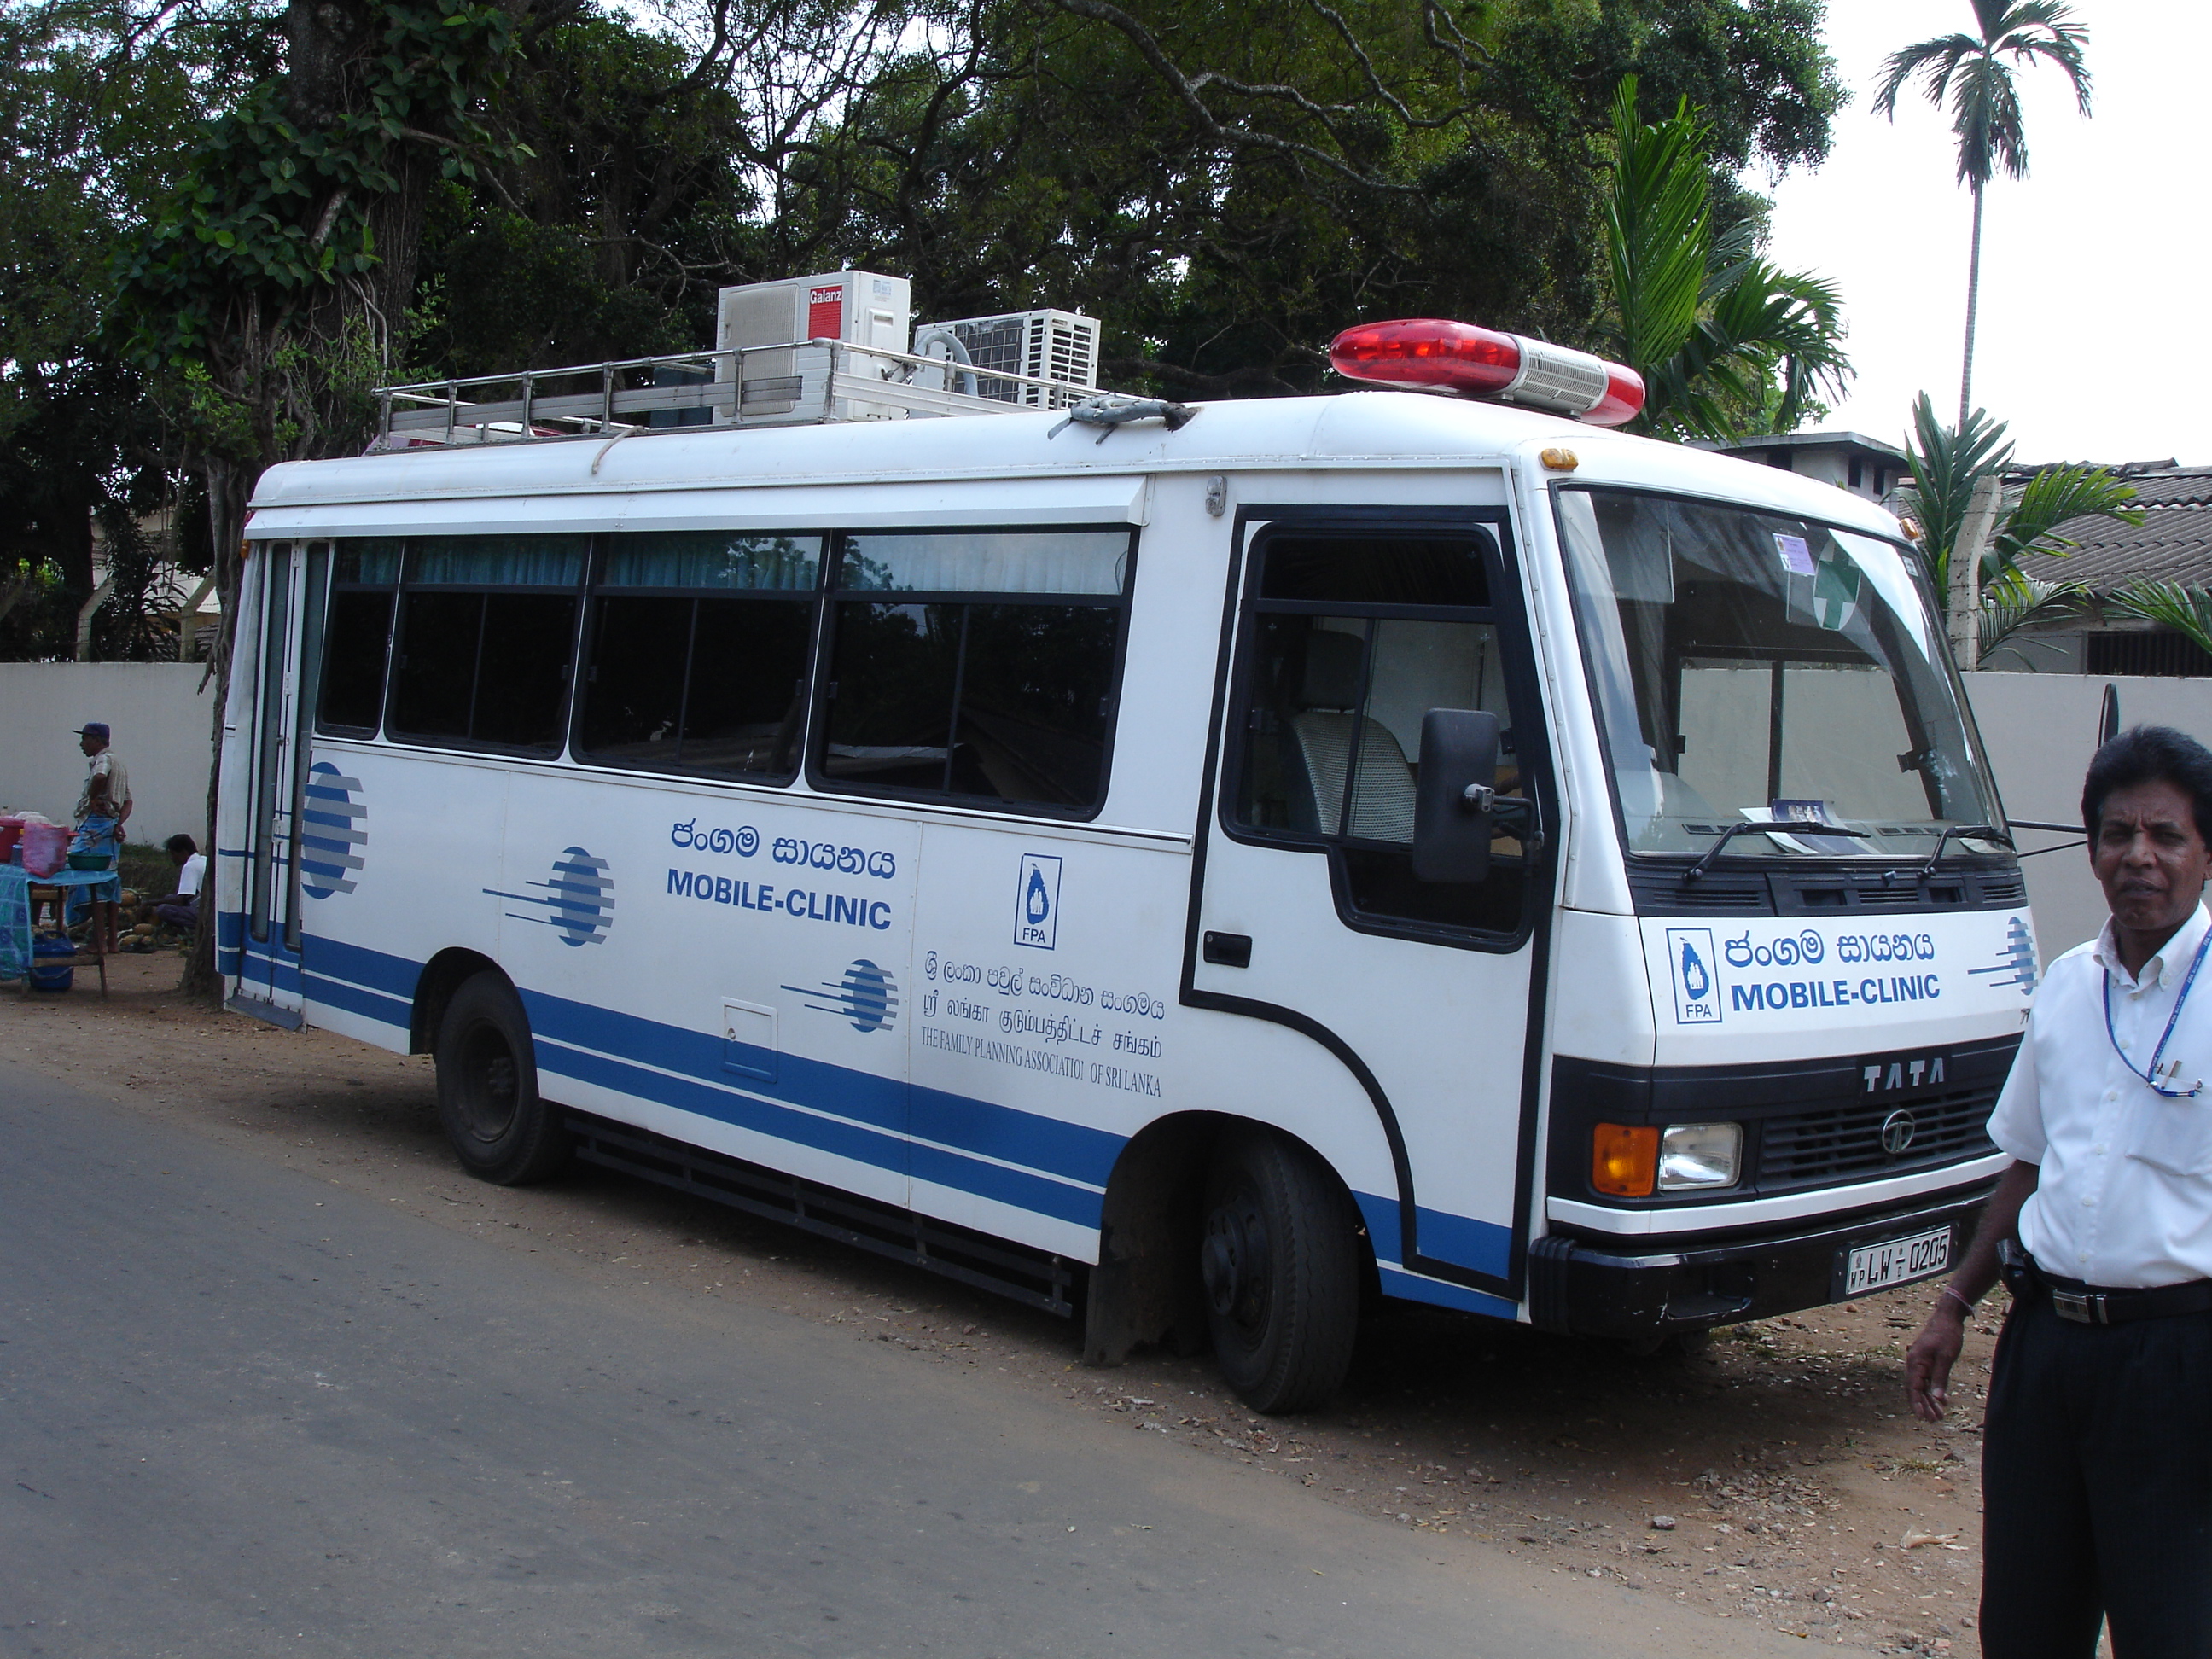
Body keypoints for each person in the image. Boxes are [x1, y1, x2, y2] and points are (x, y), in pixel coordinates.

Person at [1905, 724, 2212, 1659]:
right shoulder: (2068, 989)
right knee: (2028, 1623)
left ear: (2208, 853)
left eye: (2166, 835)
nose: (2139, 857)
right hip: (2045, 1355)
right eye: (2118, 835)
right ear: (2091, 851)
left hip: (2177, 1364)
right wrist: (1954, 1304)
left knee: (2171, 1625)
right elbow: (2030, 1163)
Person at [70, 720, 131, 952]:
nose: (81, 744)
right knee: (109, 880)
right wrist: (119, 823)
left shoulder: (103, 760)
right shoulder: (120, 763)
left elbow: (99, 778)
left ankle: (97, 940)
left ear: (97, 740)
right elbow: (128, 801)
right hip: (110, 826)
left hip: (96, 826)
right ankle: (112, 941)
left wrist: (94, 799)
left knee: (87, 879)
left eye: (85, 738)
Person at [151, 834, 207, 934]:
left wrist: (147, 903)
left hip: (204, 912)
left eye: (173, 854)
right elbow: (187, 896)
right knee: (168, 898)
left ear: (183, 852)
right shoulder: (203, 860)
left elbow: (179, 901)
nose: (172, 858)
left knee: (163, 910)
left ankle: (197, 929)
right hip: (205, 906)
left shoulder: (190, 867)